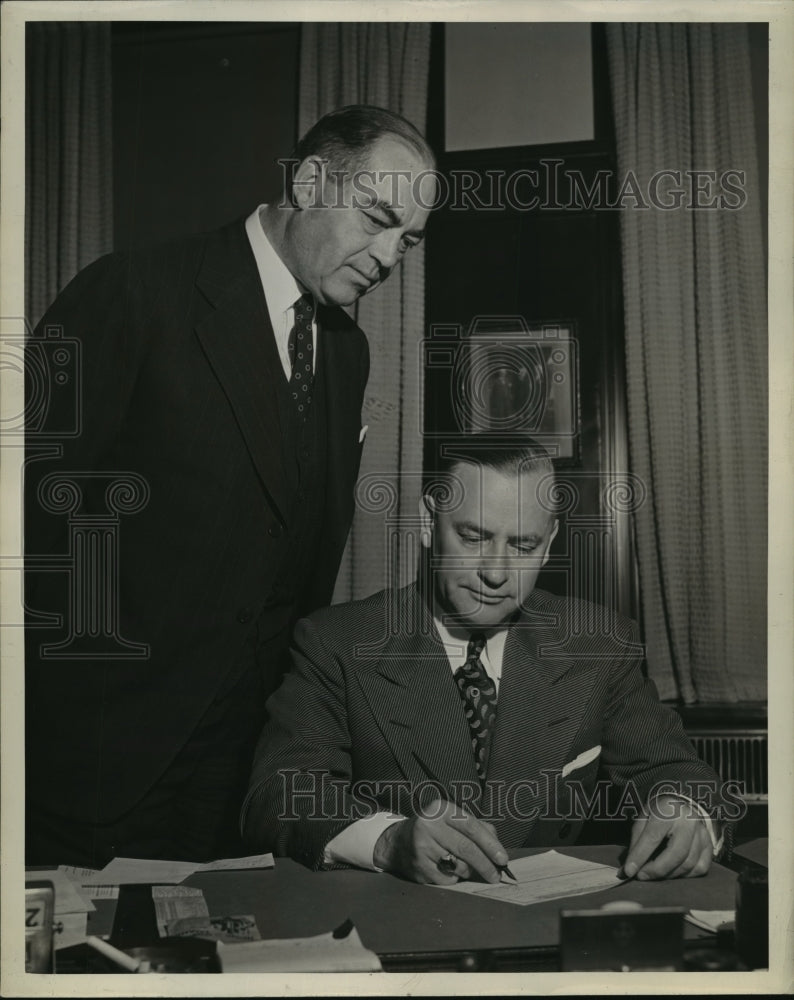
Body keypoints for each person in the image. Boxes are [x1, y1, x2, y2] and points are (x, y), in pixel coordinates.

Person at [24, 105, 437, 867]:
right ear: (311, 181)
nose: (386, 256)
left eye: (407, 240)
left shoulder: (347, 353)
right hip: (92, 764)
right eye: (377, 218)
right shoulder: (134, 293)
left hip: (244, 780)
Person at [242, 437, 731, 885]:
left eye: (522, 545)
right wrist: (389, 841)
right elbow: (277, 795)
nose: (496, 572)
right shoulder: (340, 642)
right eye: (473, 537)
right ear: (428, 523)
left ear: (550, 542)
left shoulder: (600, 645)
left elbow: (675, 770)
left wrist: (682, 808)